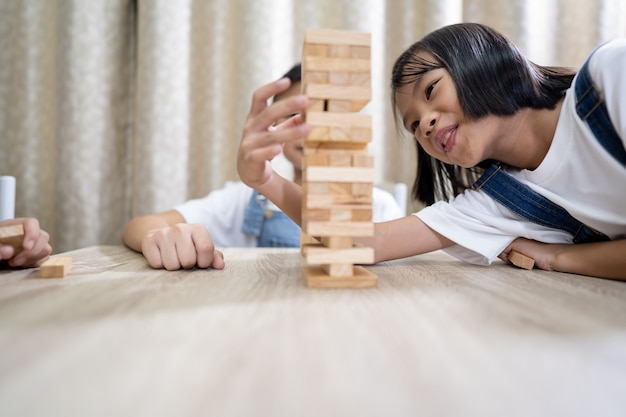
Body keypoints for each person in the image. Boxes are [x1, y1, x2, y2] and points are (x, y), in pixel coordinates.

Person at [236, 23, 626, 280]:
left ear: (480, 60)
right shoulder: (498, 204)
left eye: (430, 90)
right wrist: (267, 180)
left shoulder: (611, 78)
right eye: (413, 125)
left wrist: (561, 259)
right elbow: (362, 241)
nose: (424, 125)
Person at [123, 64, 404, 270]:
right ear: (273, 126)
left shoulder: (379, 205)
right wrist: (159, 237)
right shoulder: (244, 198)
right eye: (294, 117)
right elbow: (140, 225)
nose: (310, 131)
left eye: (324, 117)